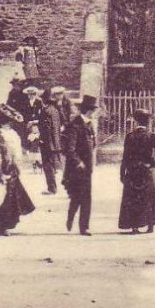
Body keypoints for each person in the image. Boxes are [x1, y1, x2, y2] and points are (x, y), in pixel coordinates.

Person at [118, 108, 155, 234]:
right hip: (147, 170)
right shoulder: (152, 136)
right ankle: (150, 225)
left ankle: (134, 226)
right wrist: (154, 165)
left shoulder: (130, 136)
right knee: (149, 197)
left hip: (132, 171)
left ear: (136, 122)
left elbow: (125, 157)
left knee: (133, 198)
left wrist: (122, 173)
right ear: (148, 121)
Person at [0, 105, 36, 236]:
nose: (9, 124)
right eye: (7, 122)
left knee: (10, 196)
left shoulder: (4, 134)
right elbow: (14, 154)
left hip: (9, 168)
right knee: (8, 196)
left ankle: (4, 223)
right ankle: (3, 223)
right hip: (5, 168)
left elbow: (16, 154)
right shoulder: (4, 135)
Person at [62, 95, 98, 236]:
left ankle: (84, 227)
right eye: (93, 110)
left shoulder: (89, 125)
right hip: (76, 169)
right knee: (78, 196)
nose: (93, 113)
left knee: (85, 197)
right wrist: (79, 162)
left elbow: (92, 144)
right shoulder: (74, 126)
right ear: (88, 111)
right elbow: (69, 149)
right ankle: (73, 219)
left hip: (87, 169)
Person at [37, 86, 66, 194]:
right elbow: (57, 127)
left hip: (47, 143)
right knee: (52, 165)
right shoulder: (55, 111)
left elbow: (48, 129)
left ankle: (51, 188)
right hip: (53, 143)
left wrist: (42, 140)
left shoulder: (46, 111)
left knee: (47, 165)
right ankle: (53, 187)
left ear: (45, 100)